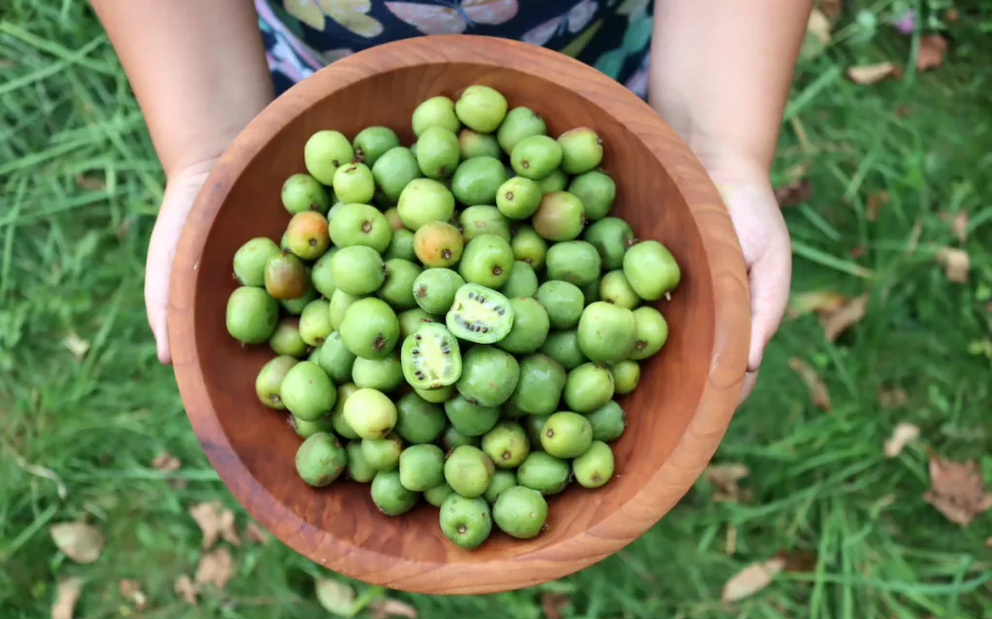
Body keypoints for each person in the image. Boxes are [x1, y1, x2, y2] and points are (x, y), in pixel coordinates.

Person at [90, 0, 805, 402]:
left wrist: (714, 142)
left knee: (591, 151)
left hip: (597, 59)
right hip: (318, 73)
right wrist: (210, 143)